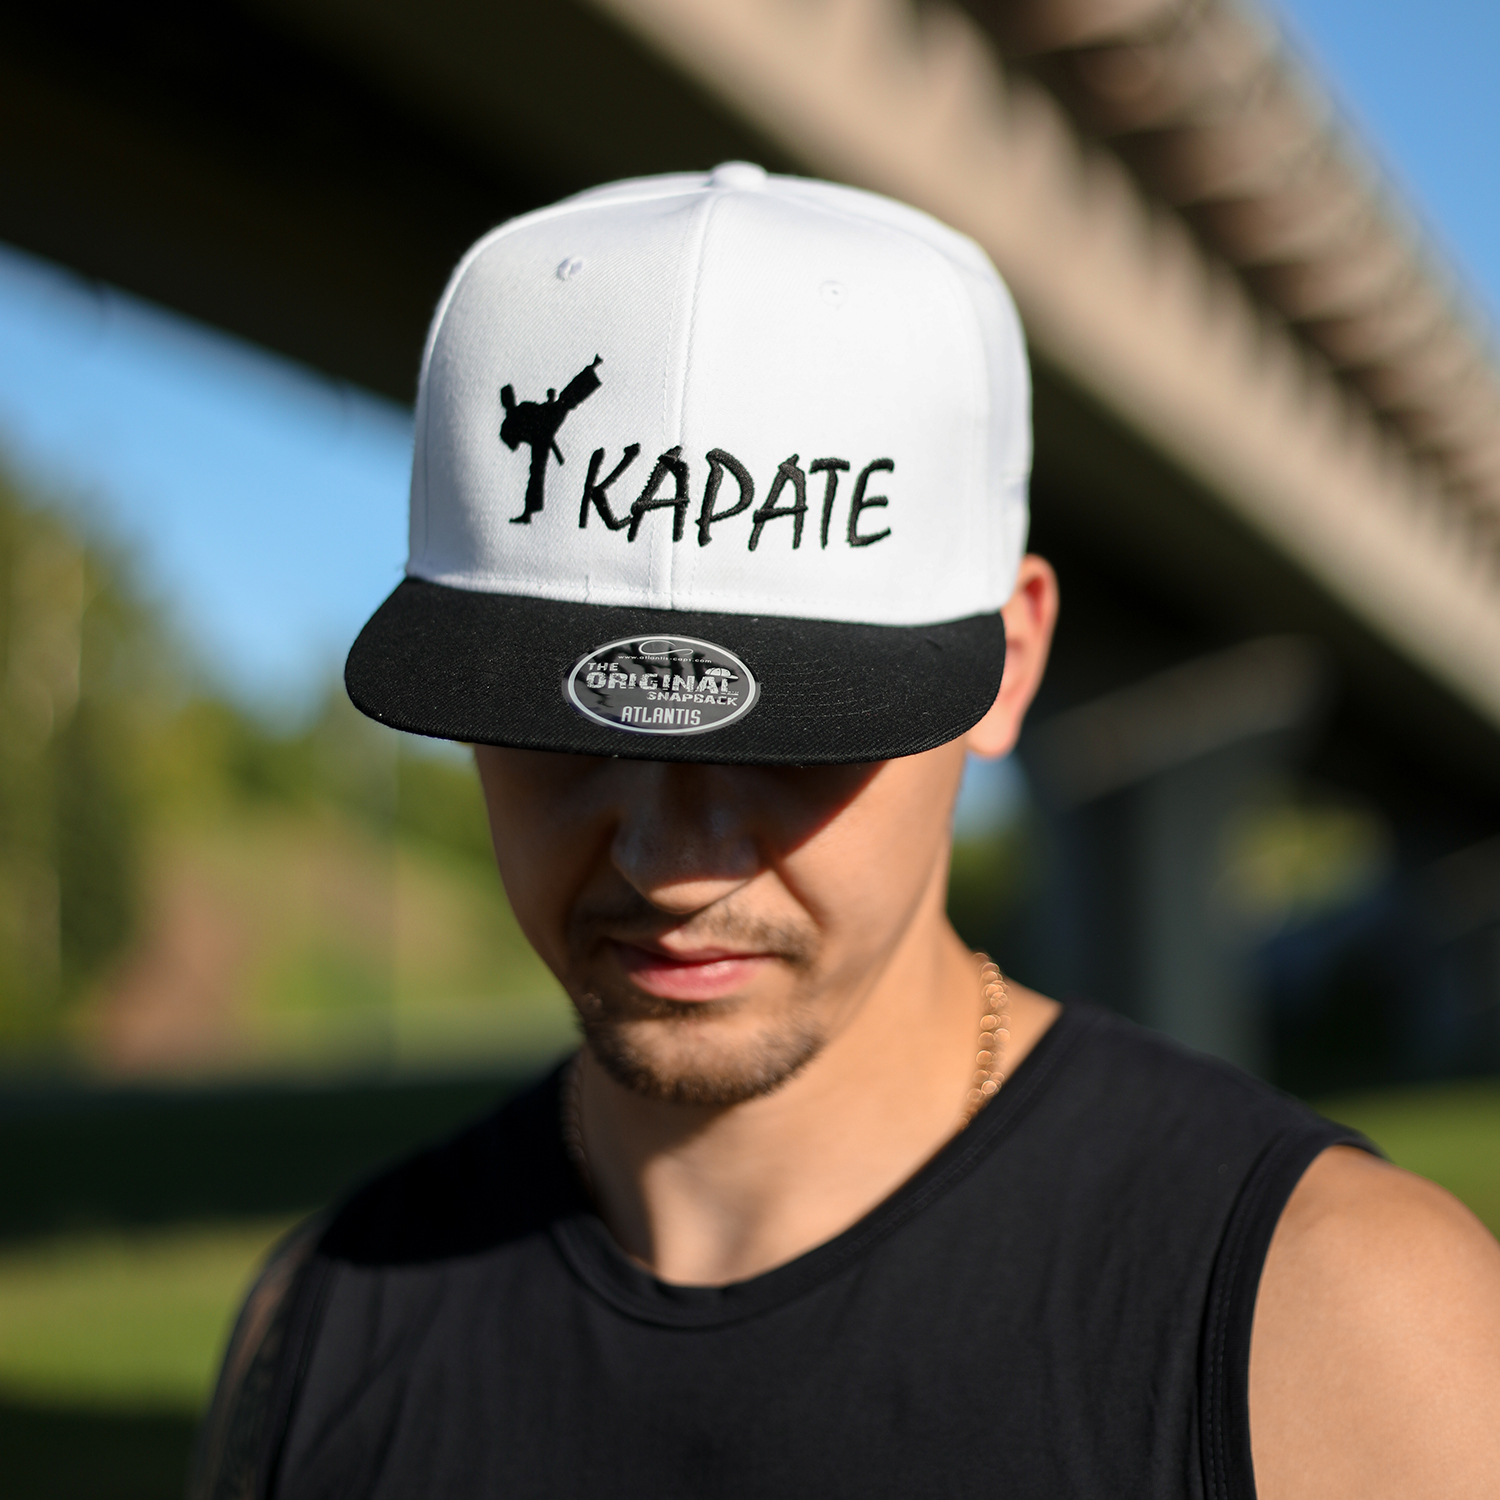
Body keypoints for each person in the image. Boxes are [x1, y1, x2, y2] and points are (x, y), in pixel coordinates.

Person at [191, 164, 1500, 1500]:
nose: (667, 856)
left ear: (1011, 662)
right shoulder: (321, 1329)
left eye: (790, 732)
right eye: (561, 722)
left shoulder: (1337, 1333)